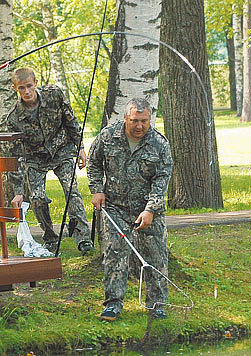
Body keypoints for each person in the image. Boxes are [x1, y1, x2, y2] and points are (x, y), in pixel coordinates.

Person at [87, 98, 173, 321]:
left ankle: (157, 305)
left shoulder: (159, 144)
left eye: (144, 121)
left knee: (156, 255)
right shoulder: (107, 137)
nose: (139, 126)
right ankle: (113, 304)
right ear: (125, 118)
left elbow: (162, 180)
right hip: (115, 207)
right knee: (115, 254)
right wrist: (96, 189)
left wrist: (151, 209)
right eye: (134, 120)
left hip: (148, 209)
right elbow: (94, 163)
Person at [0, 67, 93, 254]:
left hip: (62, 151)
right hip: (35, 159)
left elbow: (71, 122)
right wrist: (18, 192)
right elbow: (15, 155)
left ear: (36, 83)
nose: (26, 92)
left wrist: (81, 148)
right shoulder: (13, 117)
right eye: (21, 88)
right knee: (37, 198)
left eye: (29, 86)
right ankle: (50, 237)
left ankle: (83, 237)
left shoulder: (54, 95)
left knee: (71, 190)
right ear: (14, 88)